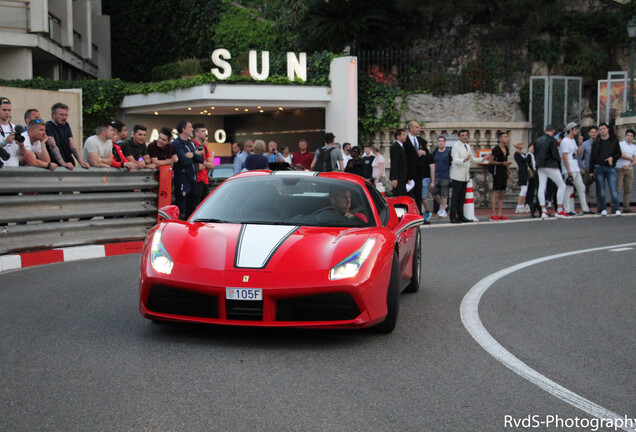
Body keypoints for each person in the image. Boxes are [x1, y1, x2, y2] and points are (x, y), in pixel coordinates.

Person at [449, 129, 486, 223]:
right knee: (455, 197)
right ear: (459, 137)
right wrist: (464, 159)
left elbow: (472, 159)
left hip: (465, 175)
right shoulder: (456, 146)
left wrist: (483, 159)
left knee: (462, 197)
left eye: (466, 135)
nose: (465, 137)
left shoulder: (468, 146)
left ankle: (461, 215)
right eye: (462, 135)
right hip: (457, 175)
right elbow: (456, 160)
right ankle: (453, 216)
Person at [172, 120, 204, 220]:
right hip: (183, 180)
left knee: (192, 207)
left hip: (193, 180)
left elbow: (201, 159)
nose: (192, 129)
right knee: (181, 207)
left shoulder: (191, 143)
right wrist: (195, 156)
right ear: (183, 129)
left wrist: (193, 155)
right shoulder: (177, 143)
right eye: (190, 127)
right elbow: (184, 161)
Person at [535, 124, 568, 219]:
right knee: (561, 185)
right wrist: (559, 158)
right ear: (553, 131)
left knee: (542, 187)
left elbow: (536, 153)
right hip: (550, 165)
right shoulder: (552, 140)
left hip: (540, 165)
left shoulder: (538, 140)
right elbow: (554, 154)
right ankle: (559, 209)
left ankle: (543, 210)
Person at [590, 122, 622, 215]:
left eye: (604, 128)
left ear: (607, 129)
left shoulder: (614, 141)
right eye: (600, 129)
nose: (602, 130)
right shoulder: (596, 142)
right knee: (601, 190)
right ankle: (603, 208)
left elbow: (618, 153)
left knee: (613, 189)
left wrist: (613, 158)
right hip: (599, 167)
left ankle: (617, 209)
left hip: (610, 167)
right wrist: (591, 171)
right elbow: (592, 157)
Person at [45, 102, 89, 170]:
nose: (64, 118)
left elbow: (71, 143)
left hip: (69, 164)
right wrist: (63, 163)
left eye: (66, 115)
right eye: (61, 115)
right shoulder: (48, 126)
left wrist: (81, 162)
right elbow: (52, 146)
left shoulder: (66, 125)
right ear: (53, 115)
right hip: (55, 166)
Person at [559, 122, 590, 215]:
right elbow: (564, 156)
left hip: (575, 167)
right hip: (570, 169)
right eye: (575, 129)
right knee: (569, 189)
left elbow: (579, 154)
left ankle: (585, 208)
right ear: (571, 130)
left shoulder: (573, 141)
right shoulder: (565, 141)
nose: (577, 131)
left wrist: (580, 143)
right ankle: (567, 209)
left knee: (581, 187)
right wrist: (569, 170)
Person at [489, 132, 512, 221]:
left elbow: (506, 162)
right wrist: (501, 163)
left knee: (502, 193)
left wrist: (509, 173)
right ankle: (493, 214)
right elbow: (491, 161)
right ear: (500, 139)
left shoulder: (506, 149)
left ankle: (500, 213)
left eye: (507, 137)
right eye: (505, 137)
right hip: (497, 172)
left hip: (503, 172)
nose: (507, 139)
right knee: (496, 193)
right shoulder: (496, 149)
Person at [405, 121, 426, 214]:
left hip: (419, 173)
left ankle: (419, 214)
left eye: (419, 127)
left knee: (418, 195)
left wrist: (424, 153)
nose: (419, 129)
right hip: (409, 173)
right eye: (417, 127)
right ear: (411, 129)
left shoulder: (420, 140)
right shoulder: (405, 141)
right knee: (409, 195)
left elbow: (429, 155)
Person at [193, 123, 215, 203]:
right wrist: (206, 164)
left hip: (205, 180)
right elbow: (198, 167)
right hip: (196, 180)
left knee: (204, 204)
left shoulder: (205, 148)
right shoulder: (192, 145)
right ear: (196, 133)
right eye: (203, 131)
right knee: (195, 205)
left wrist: (203, 163)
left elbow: (212, 165)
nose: (205, 133)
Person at [432, 136, 452, 217]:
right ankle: (442, 204)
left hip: (445, 176)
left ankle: (443, 210)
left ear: (445, 142)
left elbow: (452, 163)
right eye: (439, 141)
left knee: (444, 194)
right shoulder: (435, 152)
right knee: (433, 192)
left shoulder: (448, 152)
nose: (441, 143)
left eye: (442, 141)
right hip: (436, 175)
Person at [617, 129, 636, 213]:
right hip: (619, 168)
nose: (629, 137)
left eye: (631, 136)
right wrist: (631, 159)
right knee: (617, 188)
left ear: (633, 138)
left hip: (629, 169)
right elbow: (621, 154)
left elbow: (635, 159)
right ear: (625, 136)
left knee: (628, 189)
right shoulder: (620, 144)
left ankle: (626, 207)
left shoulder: (634, 147)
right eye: (628, 135)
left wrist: (629, 165)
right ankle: (615, 206)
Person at [580, 126, 597, 205]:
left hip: (598, 168)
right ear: (589, 134)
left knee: (599, 187)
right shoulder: (585, 144)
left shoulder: (600, 142)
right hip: (588, 168)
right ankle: (586, 204)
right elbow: (580, 157)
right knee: (586, 188)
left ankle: (599, 206)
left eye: (595, 132)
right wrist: (584, 166)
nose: (593, 134)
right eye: (592, 132)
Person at [389, 129, 408, 196]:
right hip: (398, 178)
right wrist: (394, 178)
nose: (405, 137)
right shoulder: (395, 147)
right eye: (403, 135)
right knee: (398, 195)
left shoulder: (402, 147)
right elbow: (394, 163)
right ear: (398, 137)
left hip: (402, 177)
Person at [513, 141, 530, 214]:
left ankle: (522, 205)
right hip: (522, 171)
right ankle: (519, 206)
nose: (522, 145)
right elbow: (525, 160)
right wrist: (529, 155)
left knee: (525, 189)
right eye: (520, 144)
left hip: (525, 171)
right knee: (523, 189)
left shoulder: (522, 153)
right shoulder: (517, 154)